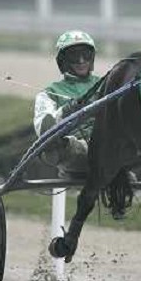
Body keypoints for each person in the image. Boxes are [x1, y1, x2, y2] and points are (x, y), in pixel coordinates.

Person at [33, 31, 101, 177]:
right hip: (76, 151)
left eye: (86, 55)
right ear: (63, 61)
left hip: (108, 143)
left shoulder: (106, 83)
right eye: (74, 56)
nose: (82, 61)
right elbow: (42, 122)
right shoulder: (50, 92)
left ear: (92, 57)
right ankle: (53, 146)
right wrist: (67, 111)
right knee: (68, 144)